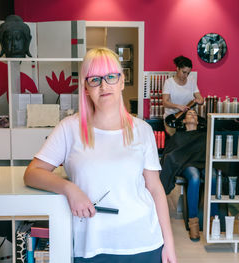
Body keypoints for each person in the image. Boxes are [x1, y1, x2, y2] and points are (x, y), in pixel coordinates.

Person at [24, 48, 177, 263]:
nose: (104, 86)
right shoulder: (69, 128)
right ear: (86, 87)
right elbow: (32, 173)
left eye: (111, 77)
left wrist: (168, 243)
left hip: (143, 242)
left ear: (122, 81)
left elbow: (155, 188)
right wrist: (69, 189)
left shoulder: (142, 130)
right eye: (94, 79)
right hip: (92, 246)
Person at [160, 109, 218, 242]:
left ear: (198, 121)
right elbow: (171, 153)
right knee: (195, 178)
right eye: (189, 114)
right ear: (184, 120)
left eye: (194, 114)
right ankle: (193, 223)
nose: (192, 115)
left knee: (213, 177)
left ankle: (213, 221)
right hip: (187, 165)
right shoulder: (178, 136)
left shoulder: (205, 135)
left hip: (204, 163)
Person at [162, 56, 204, 136]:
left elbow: (200, 99)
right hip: (172, 119)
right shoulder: (169, 83)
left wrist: (200, 100)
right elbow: (165, 103)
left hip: (187, 119)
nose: (185, 76)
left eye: (188, 73)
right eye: (183, 72)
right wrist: (178, 106)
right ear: (177, 68)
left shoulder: (191, 81)